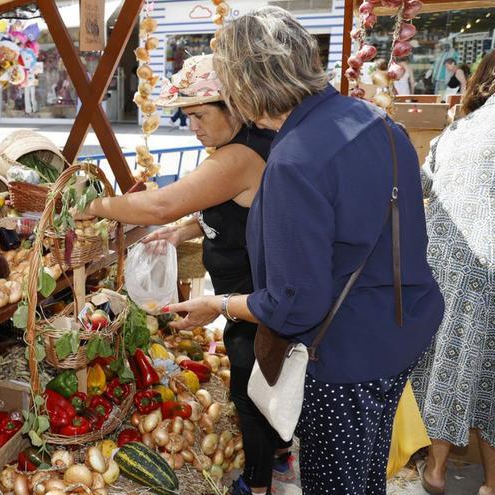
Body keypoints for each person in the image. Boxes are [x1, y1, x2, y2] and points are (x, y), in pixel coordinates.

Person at [162, 8, 444, 494]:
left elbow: (295, 305)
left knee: (336, 485)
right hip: (401, 328)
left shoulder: (295, 159)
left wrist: (217, 304)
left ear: (247, 83)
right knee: (365, 475)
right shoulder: (378, 121)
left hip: (344, 356)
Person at [84, 54, 292, 495]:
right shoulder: (246, 146)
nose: (192, 126)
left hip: (253, 296)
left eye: (200, 115)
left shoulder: (238, 156)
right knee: (267, 380)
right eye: (187, 116)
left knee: (249, 392)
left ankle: (257, 486)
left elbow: (160, 204)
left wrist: (95, 205)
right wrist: (184, 231)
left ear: (233, 107)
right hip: (251, 292)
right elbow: (231, 209)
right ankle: (279, 453)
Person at [412, 49, 495, 495]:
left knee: (449, 364)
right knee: (489, 373)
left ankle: (437, 471)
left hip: (448, 265)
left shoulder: (458, 130)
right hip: (486, 266)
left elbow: (420, 185)